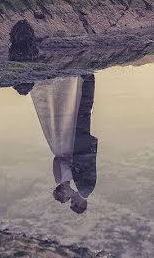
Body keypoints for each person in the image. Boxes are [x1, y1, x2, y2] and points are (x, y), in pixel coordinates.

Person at [30, 74, 98, 214]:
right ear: (80, 203)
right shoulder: (84, 188)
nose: (72, 199)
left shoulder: (84, 188)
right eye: (73, 202)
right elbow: (87, 165)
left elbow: (81, 165)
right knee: (82, 112)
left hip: (78, 147)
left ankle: (85, 80)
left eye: (71, 201)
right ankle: (86, 80)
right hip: (80, 147)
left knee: (81, 112)